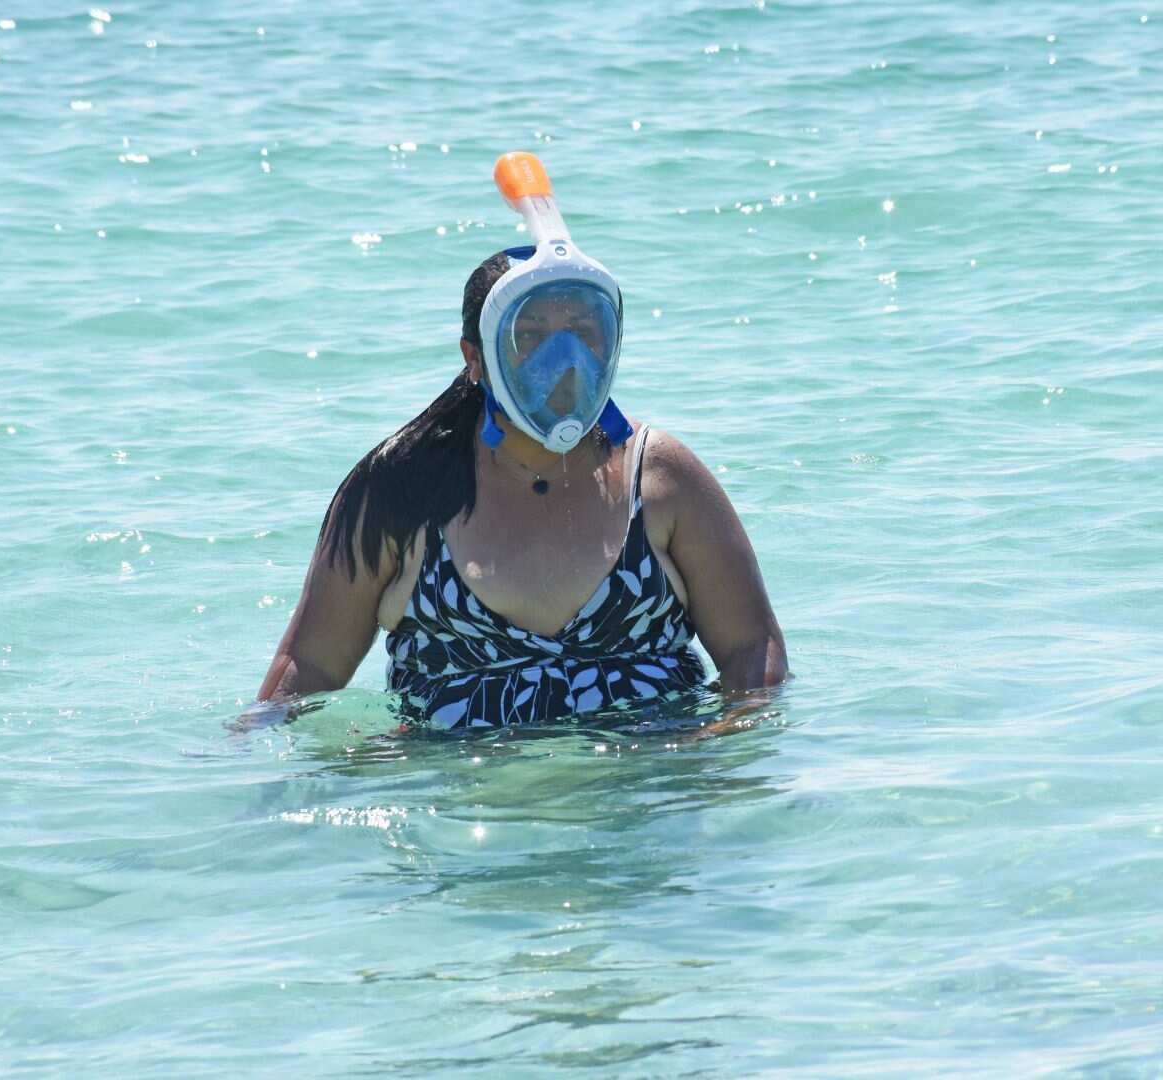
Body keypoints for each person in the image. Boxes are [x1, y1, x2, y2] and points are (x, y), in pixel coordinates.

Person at [253, 152, 788, 731]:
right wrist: (245, 757)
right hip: (461, 782)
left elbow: (752, 647)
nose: (565, 361)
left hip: (648, 775)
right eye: (530, 336)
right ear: (475, 357)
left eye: (583, 332)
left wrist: (718, 743)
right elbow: (310, 666)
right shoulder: (399, 487)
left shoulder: (661, 479)